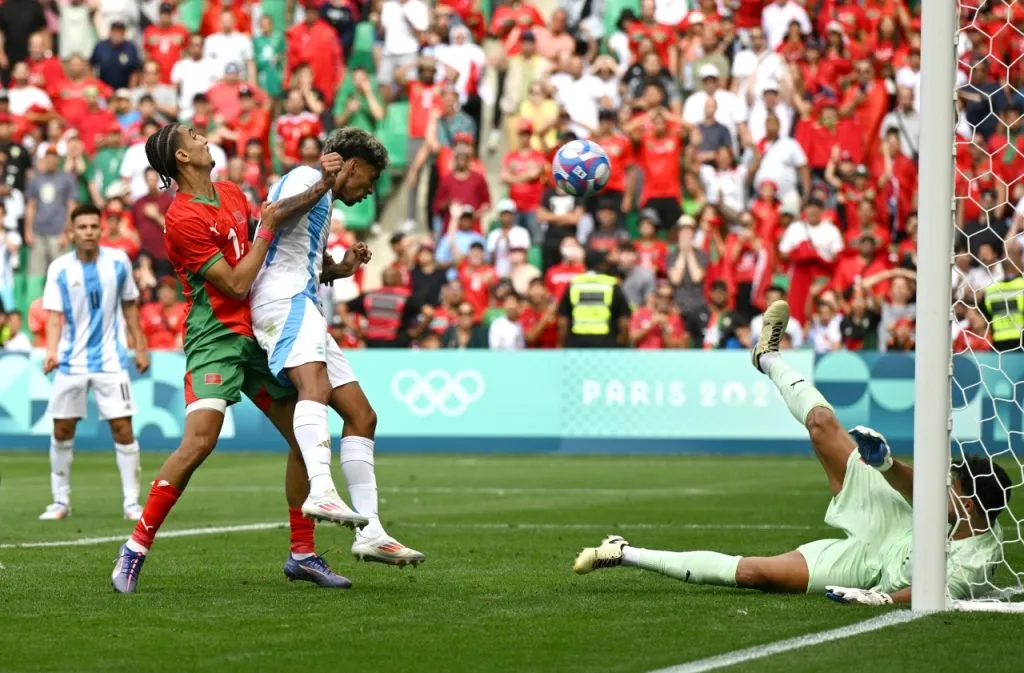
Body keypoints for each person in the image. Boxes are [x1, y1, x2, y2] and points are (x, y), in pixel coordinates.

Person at [574, 300, 1011, 605]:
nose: (944, 488)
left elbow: (933, 593)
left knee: (755, 574)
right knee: (821, 424)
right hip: (896, 520)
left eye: (953, 488)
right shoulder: (947, 505)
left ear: (970, 505)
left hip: (871, 569)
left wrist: (880, 598)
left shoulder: (976, 562)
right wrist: (884, 464)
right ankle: (767, 356)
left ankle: (623, 552)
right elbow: (919, 494)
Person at [110, 123, 353, 593]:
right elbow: (237, 283)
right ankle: (135, 547)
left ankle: (302, 554)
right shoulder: (182, 218)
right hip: (216, 336)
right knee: (199, 442)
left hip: (257, 331)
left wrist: (331, 269)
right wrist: (269, 225)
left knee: (305, 435)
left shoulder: (231, 193)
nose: (204, 138)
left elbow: (265, 260)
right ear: (182, 157)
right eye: (193, 136)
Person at [251, 127, 425, 566]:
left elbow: (294, 254)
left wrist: (340, 269)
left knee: (363, 416)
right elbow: (272, 217)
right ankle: (322, 489)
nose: (370, 191)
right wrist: (324, 183)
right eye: (370, 179)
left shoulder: (323, 196)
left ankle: (372, 531)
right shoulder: (305, 178)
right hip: (283, 302)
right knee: (315, 388)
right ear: (351, 166)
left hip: (303, 301)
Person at [39, 204, 149, 521]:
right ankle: (60, 502)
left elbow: (130, 307)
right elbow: (54, 316)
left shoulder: (118, 262)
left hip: (111, 360)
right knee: (62, 429)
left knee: (123, 428)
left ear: (101, 230)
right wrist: (51, 350)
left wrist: (140, 347)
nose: (88, 232)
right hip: (71, 362)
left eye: (92, 226)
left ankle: (131, 503)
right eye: (82, 227)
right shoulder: (59, 268)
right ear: (72, 232)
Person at [558, 250, 631, 348]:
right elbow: (623, 320)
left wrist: (562, 343)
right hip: (606, 343)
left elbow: (563, 321)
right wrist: (625, 341)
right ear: (603, 265)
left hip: (577, 343)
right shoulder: (612, 285)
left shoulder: (574, 284)